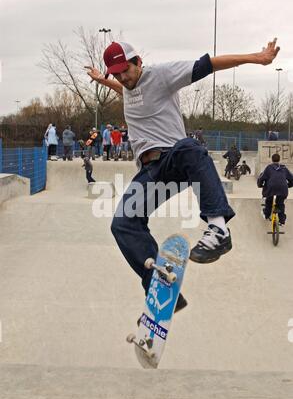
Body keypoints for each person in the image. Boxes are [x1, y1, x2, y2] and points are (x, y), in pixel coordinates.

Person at [85, 38, 280, 313]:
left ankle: (219, 229)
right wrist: (102, 80)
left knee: (190, 146)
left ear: (138, 62)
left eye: (125, 71)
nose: (122, 78)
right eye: (115, 74)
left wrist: (256, 58)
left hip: (172, 162)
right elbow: (124, 89)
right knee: (122, 224)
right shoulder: (126, 86)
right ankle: (160, 286)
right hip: (148, 173)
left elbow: (209, 64)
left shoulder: (162, 75)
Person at [257, 153, 293, 225]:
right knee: (280, 203)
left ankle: (267, 214)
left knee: (269, 201)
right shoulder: (284, 168)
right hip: (283, 189)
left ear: (272, 160)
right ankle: (282, 221)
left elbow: (262, 178)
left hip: (271, 189)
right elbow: (292, 178)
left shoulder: (269, 168)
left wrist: (260, 185)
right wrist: (288, 185)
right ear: (279, 160)